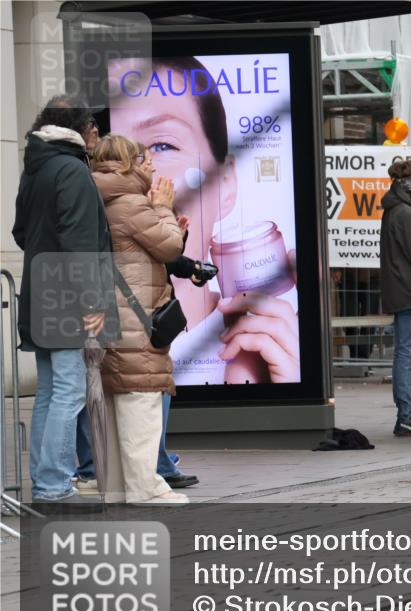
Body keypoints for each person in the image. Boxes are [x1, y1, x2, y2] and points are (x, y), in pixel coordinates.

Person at [109, 56, 299, 385]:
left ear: (224, 183)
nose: (136, 178)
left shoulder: (268, 348)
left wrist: (290, 382)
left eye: (162, 145)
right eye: (108, 158)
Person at [13, 95, 118, 509]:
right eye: (93, 127)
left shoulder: (36, 165)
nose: (97, 135)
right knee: (70, 390)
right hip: (69, 297)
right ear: (79, 128)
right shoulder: (72, 169)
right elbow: (78, 242)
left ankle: (47, 482)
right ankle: (54, 485)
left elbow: (22, 232)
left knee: (51, 391)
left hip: (41, 291)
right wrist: (92, 301)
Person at [91, 134, 187, 503]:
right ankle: (144, 489)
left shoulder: (99, 197)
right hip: (136, 318)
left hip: (110, 316)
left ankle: (117, 488)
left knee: (117, 404)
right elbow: (169, 246)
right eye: (144, 160)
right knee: (141, 403)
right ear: (127, 163)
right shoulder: (131, 203)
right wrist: (163, 208)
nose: (152, 166)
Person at [380, 158, 411, 436]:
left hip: (400, 287)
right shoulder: (405, 214)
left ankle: (406, 414)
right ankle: (408, 415)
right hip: (408, 289)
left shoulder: (396, 208)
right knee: (407, 353)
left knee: (405, 352)